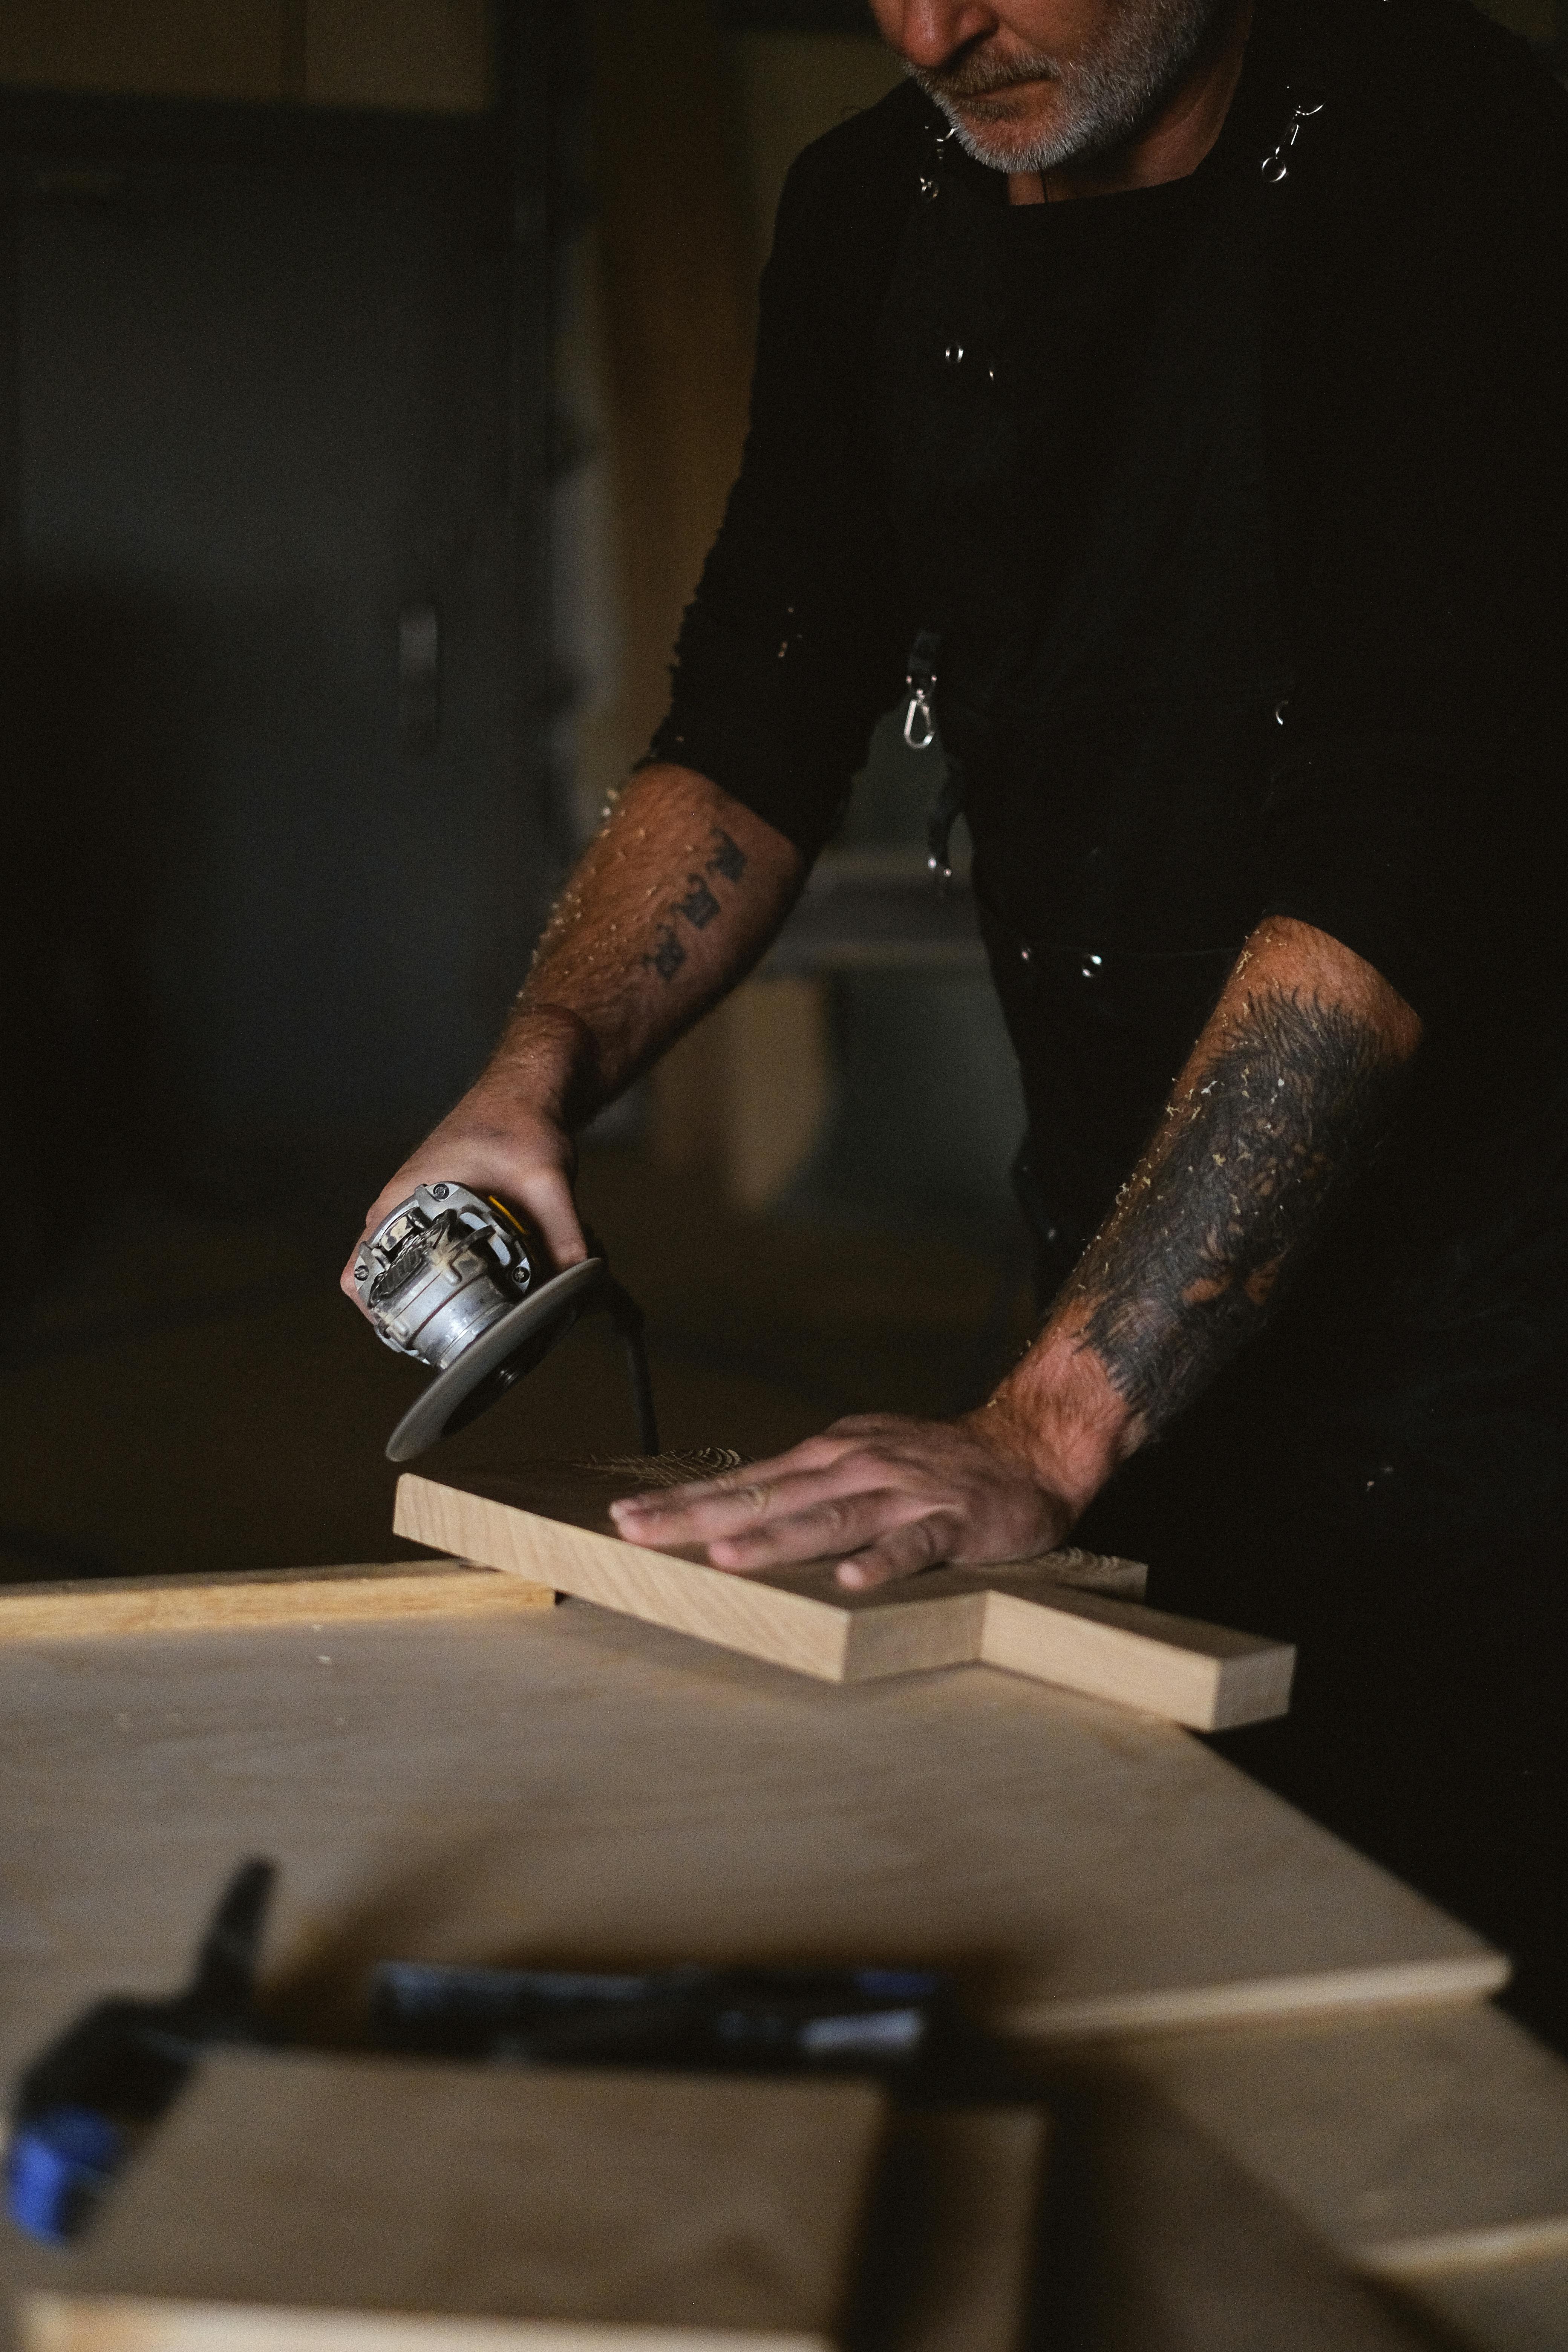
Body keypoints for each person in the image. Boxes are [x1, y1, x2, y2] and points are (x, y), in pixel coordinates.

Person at [347, 0, 1568, 2036]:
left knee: (1455, 1967)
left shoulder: (1449, 156)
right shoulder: (874, 204)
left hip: (1496, 1294)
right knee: (1166, 1906)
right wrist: (533, 1075)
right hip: (1119, 1238)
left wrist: (1041, 1425)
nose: (932, 26)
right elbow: (753, 710)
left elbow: (1402, 842)